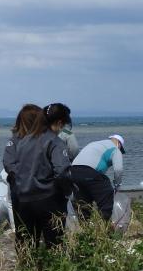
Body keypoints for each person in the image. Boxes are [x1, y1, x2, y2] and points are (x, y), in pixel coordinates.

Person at [7, 103, 73, 250]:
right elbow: (62, 171)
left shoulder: (24, 141)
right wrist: (67, 191)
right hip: (48, 199)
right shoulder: (55, 142)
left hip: (24, 199)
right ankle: (54, 270)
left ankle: (27, 270)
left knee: (26, 242)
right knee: (55, 244)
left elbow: (16, 167)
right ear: (59, 123)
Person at [70, 135, 126, 221]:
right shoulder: (115, 149)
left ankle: (86, 229)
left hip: (73, 171)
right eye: (121, 149)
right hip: (89, 172)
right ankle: (104, 226)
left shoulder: (94, 144)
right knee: (107, 195)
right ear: (119, 144)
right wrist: (117, 186)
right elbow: (118, 170)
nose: (120, 151)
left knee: (83, 203)